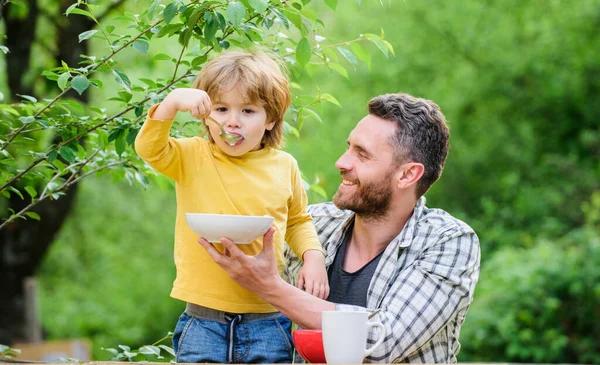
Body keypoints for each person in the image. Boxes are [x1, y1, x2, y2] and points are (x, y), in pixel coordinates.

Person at [198, 93, 481, 363]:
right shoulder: (312, 225)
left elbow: (382, 341)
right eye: (349, 147)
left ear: (407, 175)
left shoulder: (448, 241)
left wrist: (270, 287)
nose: (342, 162)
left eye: (362, 154)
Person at [134, 50, 329, 363]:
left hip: (267, 319)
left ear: (271, 120)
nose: (232, 122)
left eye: (248, 111)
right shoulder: (192, 155)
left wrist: (314, 257)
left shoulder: (284, 166)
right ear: (206, 116)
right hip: (202, 320)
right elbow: (148, 148)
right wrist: (172, 102)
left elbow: (298, 221)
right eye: (221, 109)